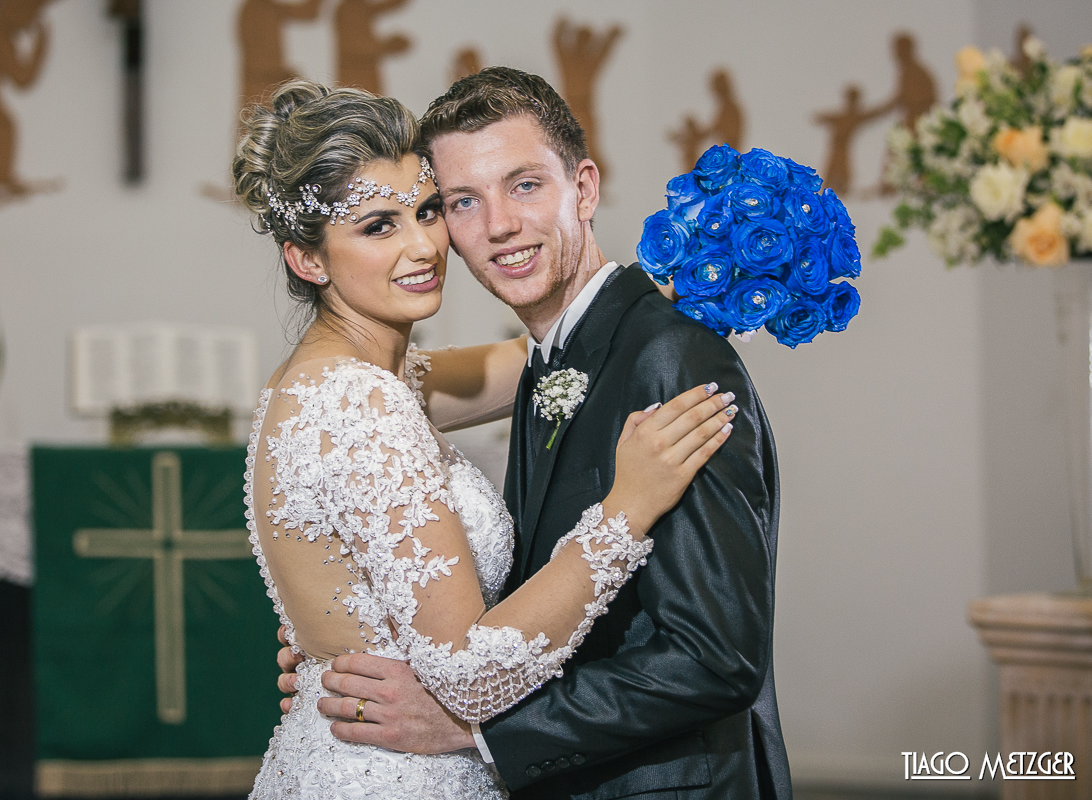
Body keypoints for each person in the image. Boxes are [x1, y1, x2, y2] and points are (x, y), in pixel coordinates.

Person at [291, 67, 792, 799]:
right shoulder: (549, 358)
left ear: (583, 189)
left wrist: (478, 732)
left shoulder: (670, 360)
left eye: (524, 185)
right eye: (463, 201)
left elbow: (714, 658)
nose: (498, 224)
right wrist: (352, 637)